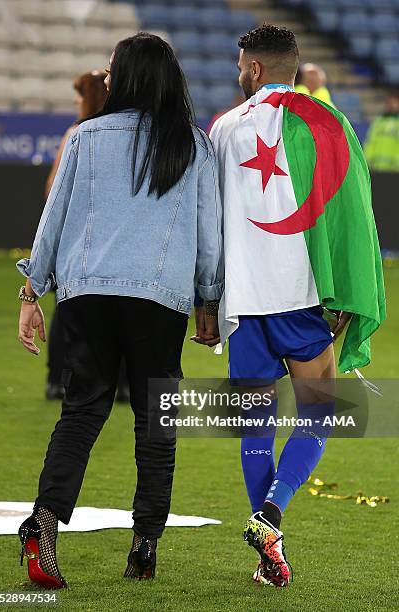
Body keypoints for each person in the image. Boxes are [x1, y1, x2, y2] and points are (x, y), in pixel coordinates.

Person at [15, 33, 223, 588]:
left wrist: (32, 292)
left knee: (81, 413)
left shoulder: (86, 137)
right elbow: (209, 236)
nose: (105, 77)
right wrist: (209, 299)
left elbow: (53, 216)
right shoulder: (195, 146)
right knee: (157, 425)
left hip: (87, 296)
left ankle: (43, 528)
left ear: (130, 76)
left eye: (111, 69)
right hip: (160, 302)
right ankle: (144, 545)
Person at [207, 24, 385, 587]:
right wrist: (348, 294)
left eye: (241, 65)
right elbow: (354, 213)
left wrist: (207, 302)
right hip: (305, 299)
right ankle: (273, 513)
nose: (240, 73)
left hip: (243, 302)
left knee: (254, 426)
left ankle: (268, 545)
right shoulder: (328, 123)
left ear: (254, 69)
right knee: (319, 412)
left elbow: (208, 227)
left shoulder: (222, 129)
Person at [44, 71, 118, 401]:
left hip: (76, 242)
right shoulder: (114, 136)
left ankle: (60, 378)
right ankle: (120, 382)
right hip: (108, 242)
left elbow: (53, 191)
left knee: (68, 310)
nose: (75, 100)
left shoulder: (78, 135)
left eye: (79, 94)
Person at [363, 90, 399, 172]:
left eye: (394, 102)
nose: (391, 104)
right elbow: (370, 142)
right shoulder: (377, 122)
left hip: (394, 171)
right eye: (389, 102)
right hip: (375, 169)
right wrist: (367, 163)